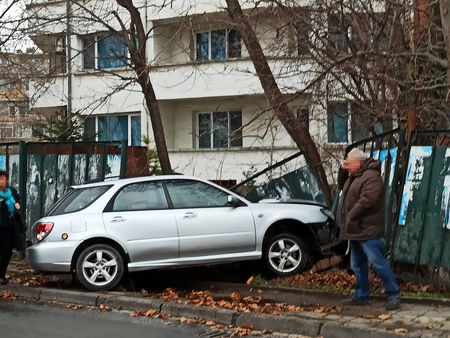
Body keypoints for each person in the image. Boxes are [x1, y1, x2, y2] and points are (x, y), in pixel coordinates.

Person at [338, 148, 401, 310]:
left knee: (377, 262)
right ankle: (361, 296)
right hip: (355, 228)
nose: (348, 166)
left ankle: (393, 295)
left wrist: (351, 215)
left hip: (368, 228)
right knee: (357, 264)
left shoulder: (371, 176)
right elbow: (341, 186)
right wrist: (342, 169)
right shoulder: (354, 176)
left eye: (349, 162)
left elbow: (367, 200)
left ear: (359, 161)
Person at [0, 170, 24, 285]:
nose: (5, 181)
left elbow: (18, 201)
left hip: (10, 227)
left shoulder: (12, 191)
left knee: (7, 252)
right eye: (2, 179)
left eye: (5, 178)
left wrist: (16, 204)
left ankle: (2, 275)